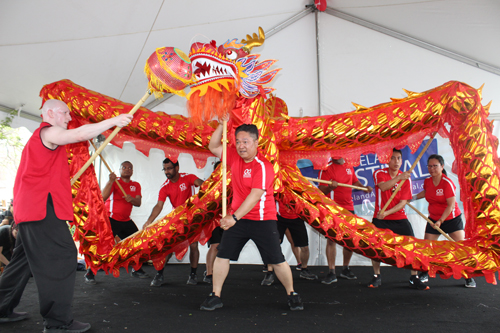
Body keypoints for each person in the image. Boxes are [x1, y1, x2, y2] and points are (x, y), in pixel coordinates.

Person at [0, 99, 132, 331]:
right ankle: (57, 321)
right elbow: (78, 134)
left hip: (31, 210)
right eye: (65, 112)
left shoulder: (41, 140)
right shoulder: (48, 132)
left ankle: (1, 307)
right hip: (41, 210)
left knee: (22, 261)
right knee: (62, 256)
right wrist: (114, 121)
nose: (69, 117)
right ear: (49, 113)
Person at [200, 122, 303, 311]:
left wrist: (234, 218)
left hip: (263, 220)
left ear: (256, 143)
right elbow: (213, 146)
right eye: (238, 141)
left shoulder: (263, 166)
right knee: (222, 255)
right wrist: (221, 125)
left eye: (246, 141)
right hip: (239, 219)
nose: (241, 146)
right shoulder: (233, 157)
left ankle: (292, 294)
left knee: (277, 260)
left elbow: (255, 195)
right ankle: (215, 295)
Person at [367, 148, 429, 290]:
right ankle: (376, 275)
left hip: (398, 217)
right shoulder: (379, 173)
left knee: (411, 246)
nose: (396, 161)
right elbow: (383, 187)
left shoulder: (405, 178)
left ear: (402, 160)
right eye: (393, 158)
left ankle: (414, 277)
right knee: (376, 247)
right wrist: (398, 179)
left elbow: (403, 203)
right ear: (387, 160)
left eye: (399, 158)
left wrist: (388, 212)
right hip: (380, 218)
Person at [414, 154, 476, 288]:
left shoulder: (447, 183)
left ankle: (468, 277)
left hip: (451, 219)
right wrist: (410, 199)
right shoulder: (428, 181)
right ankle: (425, 273)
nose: (432, 169)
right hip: (433, 219)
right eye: (429, 166)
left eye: (435, 166)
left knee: (461, 249)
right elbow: (426, 192)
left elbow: (451, 205)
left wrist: (441, 221)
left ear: (442, 167)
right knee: (427, 248)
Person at [84, 161, 148, 284]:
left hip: (126, 220)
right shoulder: (115, 182)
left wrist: (132, 199)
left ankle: (137, 269)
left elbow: (138, 203)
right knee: (102, 246)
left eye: (130, 168)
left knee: (136, 244)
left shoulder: (136, 185)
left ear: (132, 171)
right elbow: (102, 197)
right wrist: (110, 181)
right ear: (120, 169)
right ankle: (90, 272)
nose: (127, 169)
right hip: (111, 220)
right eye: (124, 167)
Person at [143, 158, 203, 286]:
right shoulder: (165, 187)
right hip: (177, 220)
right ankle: (159, 274)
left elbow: (200, 183)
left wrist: (207, 188)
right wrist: (149, 221)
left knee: (193, 245)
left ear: (177, 168)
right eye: (164, 169)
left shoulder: (188, 177)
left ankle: (193, 274)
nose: (166, 172)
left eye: (169, 168)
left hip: (192, 218)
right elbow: (159, 205)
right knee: (168, 246)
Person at [318, 158, 373, 284]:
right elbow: (320, 190)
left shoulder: (349, 165)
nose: (337, 155)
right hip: (332, 208)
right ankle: (332, 272)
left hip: (348, 208)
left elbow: (355, 183)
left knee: (349, 240)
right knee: (332, 240)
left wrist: (364, 188)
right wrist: (330, 188)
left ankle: (345, 269)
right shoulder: (326, 168)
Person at [261, 201, 317, 286]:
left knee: (304, 247)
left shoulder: (299, 187)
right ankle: (270, 272)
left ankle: (304, 269)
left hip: (297, 218)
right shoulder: (278, 187)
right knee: (273, 244)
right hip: (279, 217)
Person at [203, 161, 223, 285]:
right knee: (215, 246)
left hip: (227, 219)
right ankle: (209, 273)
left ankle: (218, 272)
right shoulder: (208, 185)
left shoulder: (232, 184)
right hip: (213, 221)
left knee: (223, 248)